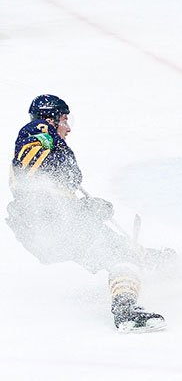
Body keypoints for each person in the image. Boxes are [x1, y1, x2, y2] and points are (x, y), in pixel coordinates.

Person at [6, 94, 172, 332]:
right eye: (64, 119)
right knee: (118, 253)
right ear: (51, 118)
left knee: (118, 253)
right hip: (45, 219)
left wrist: (86, 208)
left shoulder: (49, 149)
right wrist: (83, 209)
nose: (68, 127)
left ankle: (147, 264)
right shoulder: (39, 129)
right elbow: (38, 176)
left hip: (43, 228)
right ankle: (126, 309)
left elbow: (52, 188)